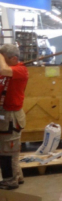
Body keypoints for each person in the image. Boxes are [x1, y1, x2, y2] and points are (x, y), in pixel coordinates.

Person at [0, 44, 29, 190]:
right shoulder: (8, 70)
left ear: (13, 58)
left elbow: (3, 69)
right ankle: (17, 176)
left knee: (8, 150)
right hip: (5, 114)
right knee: (8, 148)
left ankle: (10, 180)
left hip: (11, 116)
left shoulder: (20, 70)